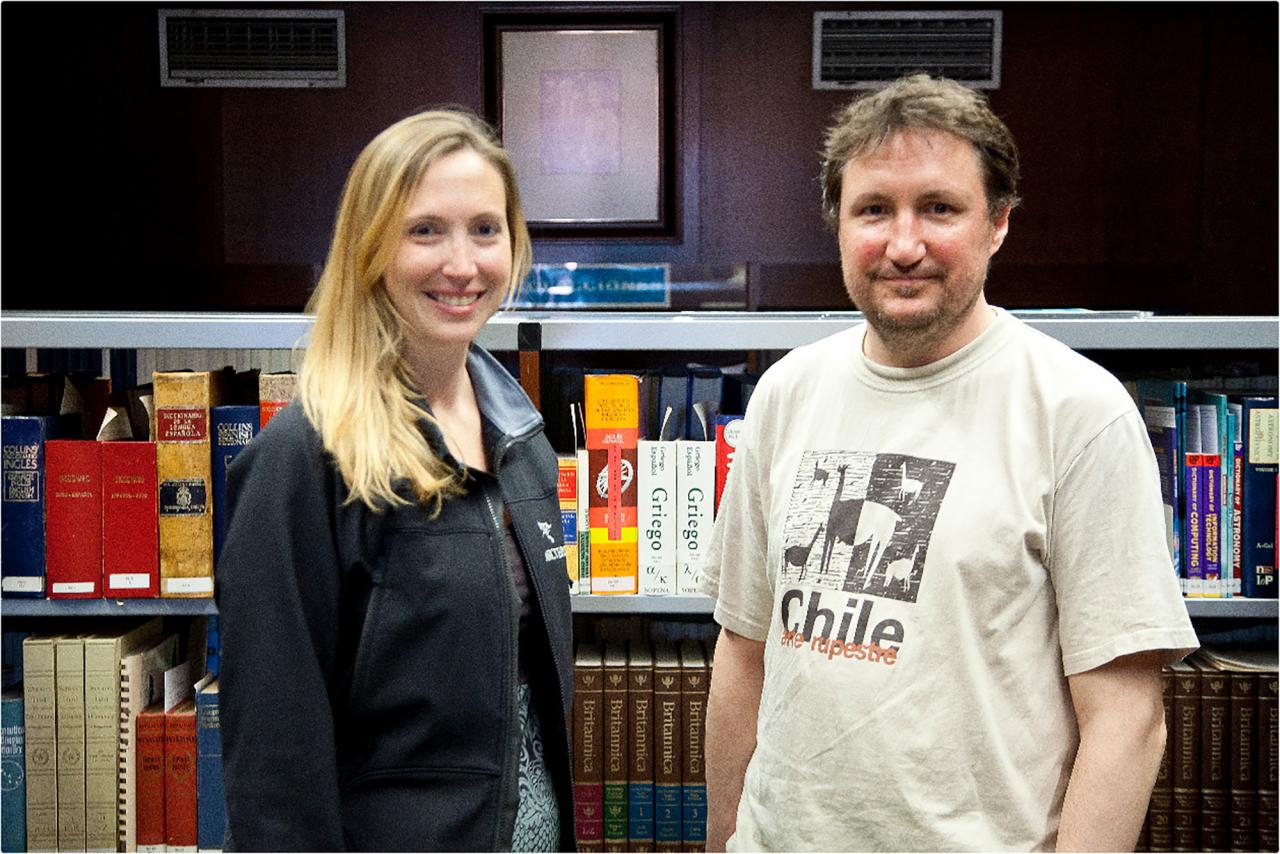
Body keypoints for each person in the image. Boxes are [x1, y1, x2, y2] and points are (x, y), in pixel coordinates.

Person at [699, 74, 1198, 852]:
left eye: (939, 208)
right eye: (874, 210)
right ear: (838, 226)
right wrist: (723, 838)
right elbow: (744, 649)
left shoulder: (1078, 412)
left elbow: (1128, 718)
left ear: (997, 223)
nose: (904, 245)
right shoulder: (786, 393)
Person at [215, 109, 576, 852]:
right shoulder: (305, 464)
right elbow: (274, 765)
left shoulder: (525, 441)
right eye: (425, 231)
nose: (463, 263)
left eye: (485, 228)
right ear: (371, 247)